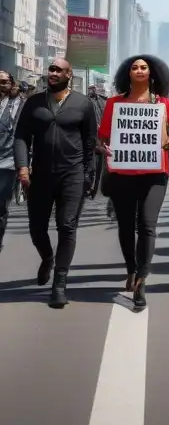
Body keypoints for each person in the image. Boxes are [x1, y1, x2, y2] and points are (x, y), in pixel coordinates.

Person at [96, 56, 169, 309]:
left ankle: (141, 280)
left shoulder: (165, 104)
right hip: (122, 174)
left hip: (155, 174)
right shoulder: (114, 104)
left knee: (147, 224)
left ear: (153, 73)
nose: (140, 70)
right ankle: (130, 268)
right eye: (135, 67)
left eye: (144, 67)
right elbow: (102, 138)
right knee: (125, 225)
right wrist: (103, 148)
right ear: (127, 73)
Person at [13, 58, 97, 307]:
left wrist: (88, 175)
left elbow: (90, 141)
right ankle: (47, 258)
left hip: (71, 174)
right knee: (37, 228)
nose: (53, 73)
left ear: (69, 75)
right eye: (51, 69)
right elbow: (21, 137)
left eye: (59, 70)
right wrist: (23, 167)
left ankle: (59, 283)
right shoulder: (33, 103)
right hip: (39, 174)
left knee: (66, 226)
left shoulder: (83, 104)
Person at [0, 70, 24, 252]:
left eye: (4, 82)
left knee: (0, 205)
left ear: (11, 84)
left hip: (7, 162)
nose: (1, 86)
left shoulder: (19, 104)